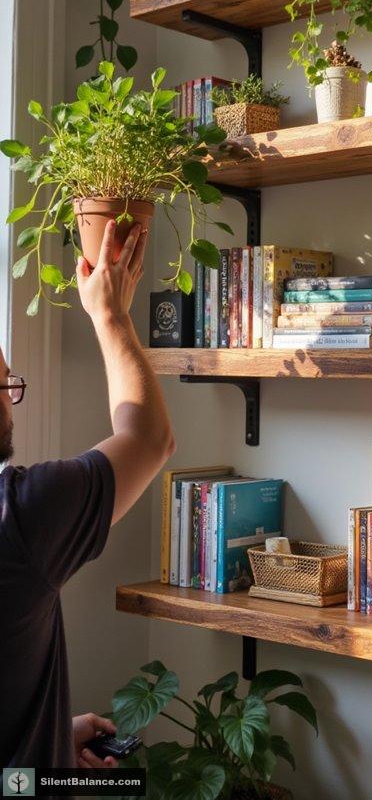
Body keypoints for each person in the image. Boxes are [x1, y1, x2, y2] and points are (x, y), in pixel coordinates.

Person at [0, 221, 176, 773]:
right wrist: (111, 315)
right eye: (6, 385)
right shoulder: (21, 514)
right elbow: (149, 438)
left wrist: (50, 742)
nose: (13, 399)